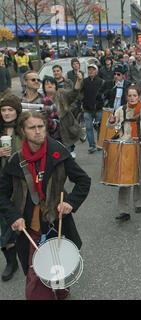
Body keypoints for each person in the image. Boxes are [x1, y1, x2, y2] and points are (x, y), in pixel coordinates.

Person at [0, 110, 91, 300]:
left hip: (56, 222)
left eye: (41, 126)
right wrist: (13, 217)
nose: (38, 131)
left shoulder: (58, 153)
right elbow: (2, 193)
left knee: (59, 269)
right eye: (32, 128)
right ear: (23, 131)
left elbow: (83, 180)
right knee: (36, 278)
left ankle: (60, 288)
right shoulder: (14, 161)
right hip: (28, 226)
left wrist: (70, 203)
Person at [107, 85, 141, 221]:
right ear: (126, 97)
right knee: (123, 178)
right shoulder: (121, 110)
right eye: (129, 96)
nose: (132, 98)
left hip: (139, 147)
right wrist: (111, 121)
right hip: (124, 147)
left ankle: (139, 202)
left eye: (134, 96)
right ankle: (123, 210)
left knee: (139, 175)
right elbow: (110, 126)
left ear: (139, 97)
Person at [0, 95, 22, 282]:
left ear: (17, 111)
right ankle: (11, 262)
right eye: (3, 110)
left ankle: (31, 257)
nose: (7, 113)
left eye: (10, 110)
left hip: (21, 182)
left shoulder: (23, 129)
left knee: (26, 220)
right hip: (2, 183)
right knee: (5, 222)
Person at [42, 71, 83, 157]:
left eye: (52, 84)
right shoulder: (41, 100)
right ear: (44, 87)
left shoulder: (61, 94)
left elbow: (73, 93)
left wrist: (78, 80)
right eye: (47, 84)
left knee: (65, 157)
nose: (50, 85)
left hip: (64, 132)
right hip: (49, 134)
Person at [21, 71, 60, 139]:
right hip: (23, 141)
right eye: (33, 80)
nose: (36, 81)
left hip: (42, 141)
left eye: (38, 80)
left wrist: (47, 120)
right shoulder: (19, 102)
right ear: (25, 82)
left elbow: (57, 126)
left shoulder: (47, 101)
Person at [81, 64, 105, 153]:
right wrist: (82, 102)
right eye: (89, 69)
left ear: (96, 71)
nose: (91, 71)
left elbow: (104, 94)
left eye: (93, 69)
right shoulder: (84, 81)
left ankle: (100, 144)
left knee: (99, 127)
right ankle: (92, 145)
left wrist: (101, 103)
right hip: (87, 109)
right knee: (88, 128)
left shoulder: (101, 81)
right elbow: (80, 94)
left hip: (98, 108)